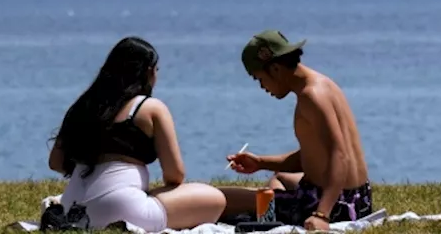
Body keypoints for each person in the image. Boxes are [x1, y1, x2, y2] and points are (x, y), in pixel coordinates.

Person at [48, 36, 225, 232]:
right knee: (215, 198)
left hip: (71, 207)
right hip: (121, 208)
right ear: (149, 71)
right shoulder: (149, 107)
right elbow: (175, 175)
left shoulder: (84, 106)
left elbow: (55, 163)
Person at [218, 30, 373, 231]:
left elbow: (339, 154)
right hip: (359, 199)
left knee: (221, 197)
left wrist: (321, 215)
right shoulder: (323, 83)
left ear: (274, 69)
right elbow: (317, 154)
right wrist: (260, 163)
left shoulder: (311, 96)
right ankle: (273, 211)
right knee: (279, 177)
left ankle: (270, 217)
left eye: (259, 79)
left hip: (334, 206)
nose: (262, 87)